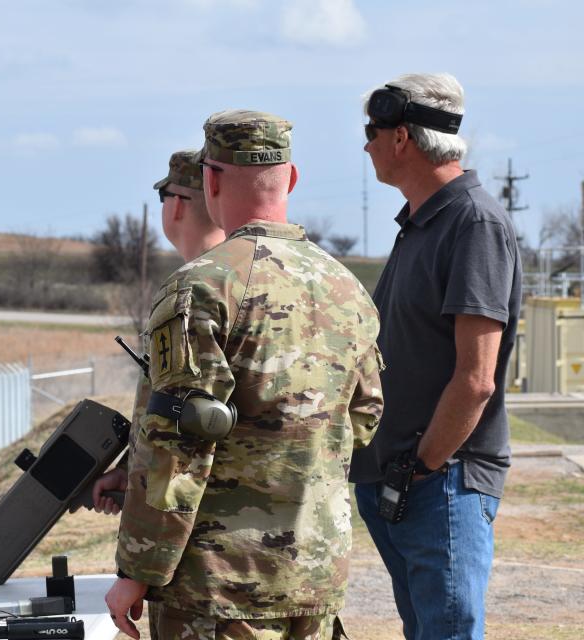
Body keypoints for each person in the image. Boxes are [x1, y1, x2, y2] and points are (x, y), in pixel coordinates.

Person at [105, 110, 384, 640]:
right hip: (314, 575)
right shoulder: (349, 290)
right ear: (291, 179)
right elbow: (365, 419)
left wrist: (136, 569)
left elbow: (177, 442)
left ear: (210, 180)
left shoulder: (201, 288)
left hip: (218, 588)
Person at [349, 73, 522, 640]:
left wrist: (420, 468)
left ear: (402, 138)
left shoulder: (473, 223)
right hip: (401, 481)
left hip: (440, 482)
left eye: (372, 131)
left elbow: (475, 381)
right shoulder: (421, 223)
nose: (366, 143)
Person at [92, 149, 226, 516]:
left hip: (195, 524)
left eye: (162, 197)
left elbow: (176, 436)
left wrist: (140, 565)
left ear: (178, 206)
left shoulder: (192, 291)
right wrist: (128, 472)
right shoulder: (233, 279)